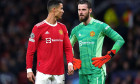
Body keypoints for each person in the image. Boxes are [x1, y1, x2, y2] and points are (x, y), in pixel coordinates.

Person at [70, 0, 125, 84]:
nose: (81, 12)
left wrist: (109, 56)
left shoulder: (100, 26)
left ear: (90, 10)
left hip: (96, 72)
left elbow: (120, 40)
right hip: (82, 73)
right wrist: (71, 59)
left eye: (84, 10)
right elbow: (68, 46)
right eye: (79, 10)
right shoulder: (76, 29)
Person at [26, 0, 74, 84]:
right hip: (42, 74)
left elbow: (68, 47)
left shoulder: (63, 27)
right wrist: (29, 69)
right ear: (54, 9)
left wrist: (70, 63)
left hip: (59, 74)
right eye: (61, 9)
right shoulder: (38, 28)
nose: (63, 11)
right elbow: (30, 50)